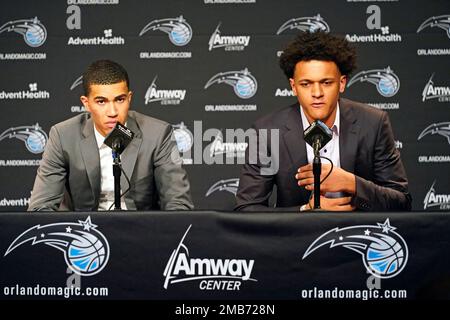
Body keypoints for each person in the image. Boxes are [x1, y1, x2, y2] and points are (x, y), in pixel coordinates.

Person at [235, 31, 411, 212]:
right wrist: (306, 209)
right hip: (297, 237)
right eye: (306, 84)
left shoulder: (373, 123)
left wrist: (352, 183)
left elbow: (401, 201)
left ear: (342, 83)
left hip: (358, 232)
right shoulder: (267, 131)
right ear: (293, 87)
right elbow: (247, 208)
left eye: (326, 82)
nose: (317, 93)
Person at [28, 60, 194, 211]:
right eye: (101, 101)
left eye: (120, 100)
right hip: (85, 232)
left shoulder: (158, 134)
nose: (113, 112)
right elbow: (40, 207)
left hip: (141, 233)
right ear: (86, 103)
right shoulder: (63, 136)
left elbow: (178, 204)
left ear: (129, 98)